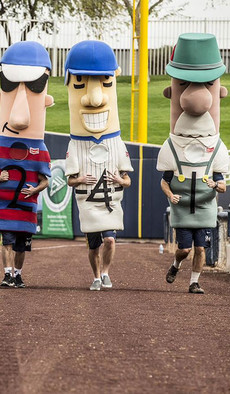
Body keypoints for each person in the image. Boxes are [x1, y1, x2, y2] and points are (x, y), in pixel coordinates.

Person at [157, 33, 229, 294]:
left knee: (201, 248)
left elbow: (222, 184)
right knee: (185, 249)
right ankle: (176, 264)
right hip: (183, 208)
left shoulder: (218, 149)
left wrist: (217, 186)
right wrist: (170, 194)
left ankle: (194, 282)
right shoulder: (172, 148)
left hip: (205, 206)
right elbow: (164, 180)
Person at [63, 40, 133, 291]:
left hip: (110, 202)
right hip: (89, 204)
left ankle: (105, 273)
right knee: (93, 245)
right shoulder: (75, 146)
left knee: (111, 242)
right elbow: (69, 180)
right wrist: (79, 180)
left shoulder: (117, 144)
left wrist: (120, 181)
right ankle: (95, 276)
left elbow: (128, 180)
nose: (94, 98)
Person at [0, 41, 54, 288]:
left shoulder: (40, 150)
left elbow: (46, 180)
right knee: (6, 241)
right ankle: (7, 273)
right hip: (5, 206)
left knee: (22, 245)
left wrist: (35, 190)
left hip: (26, 207)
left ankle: (18, 273)